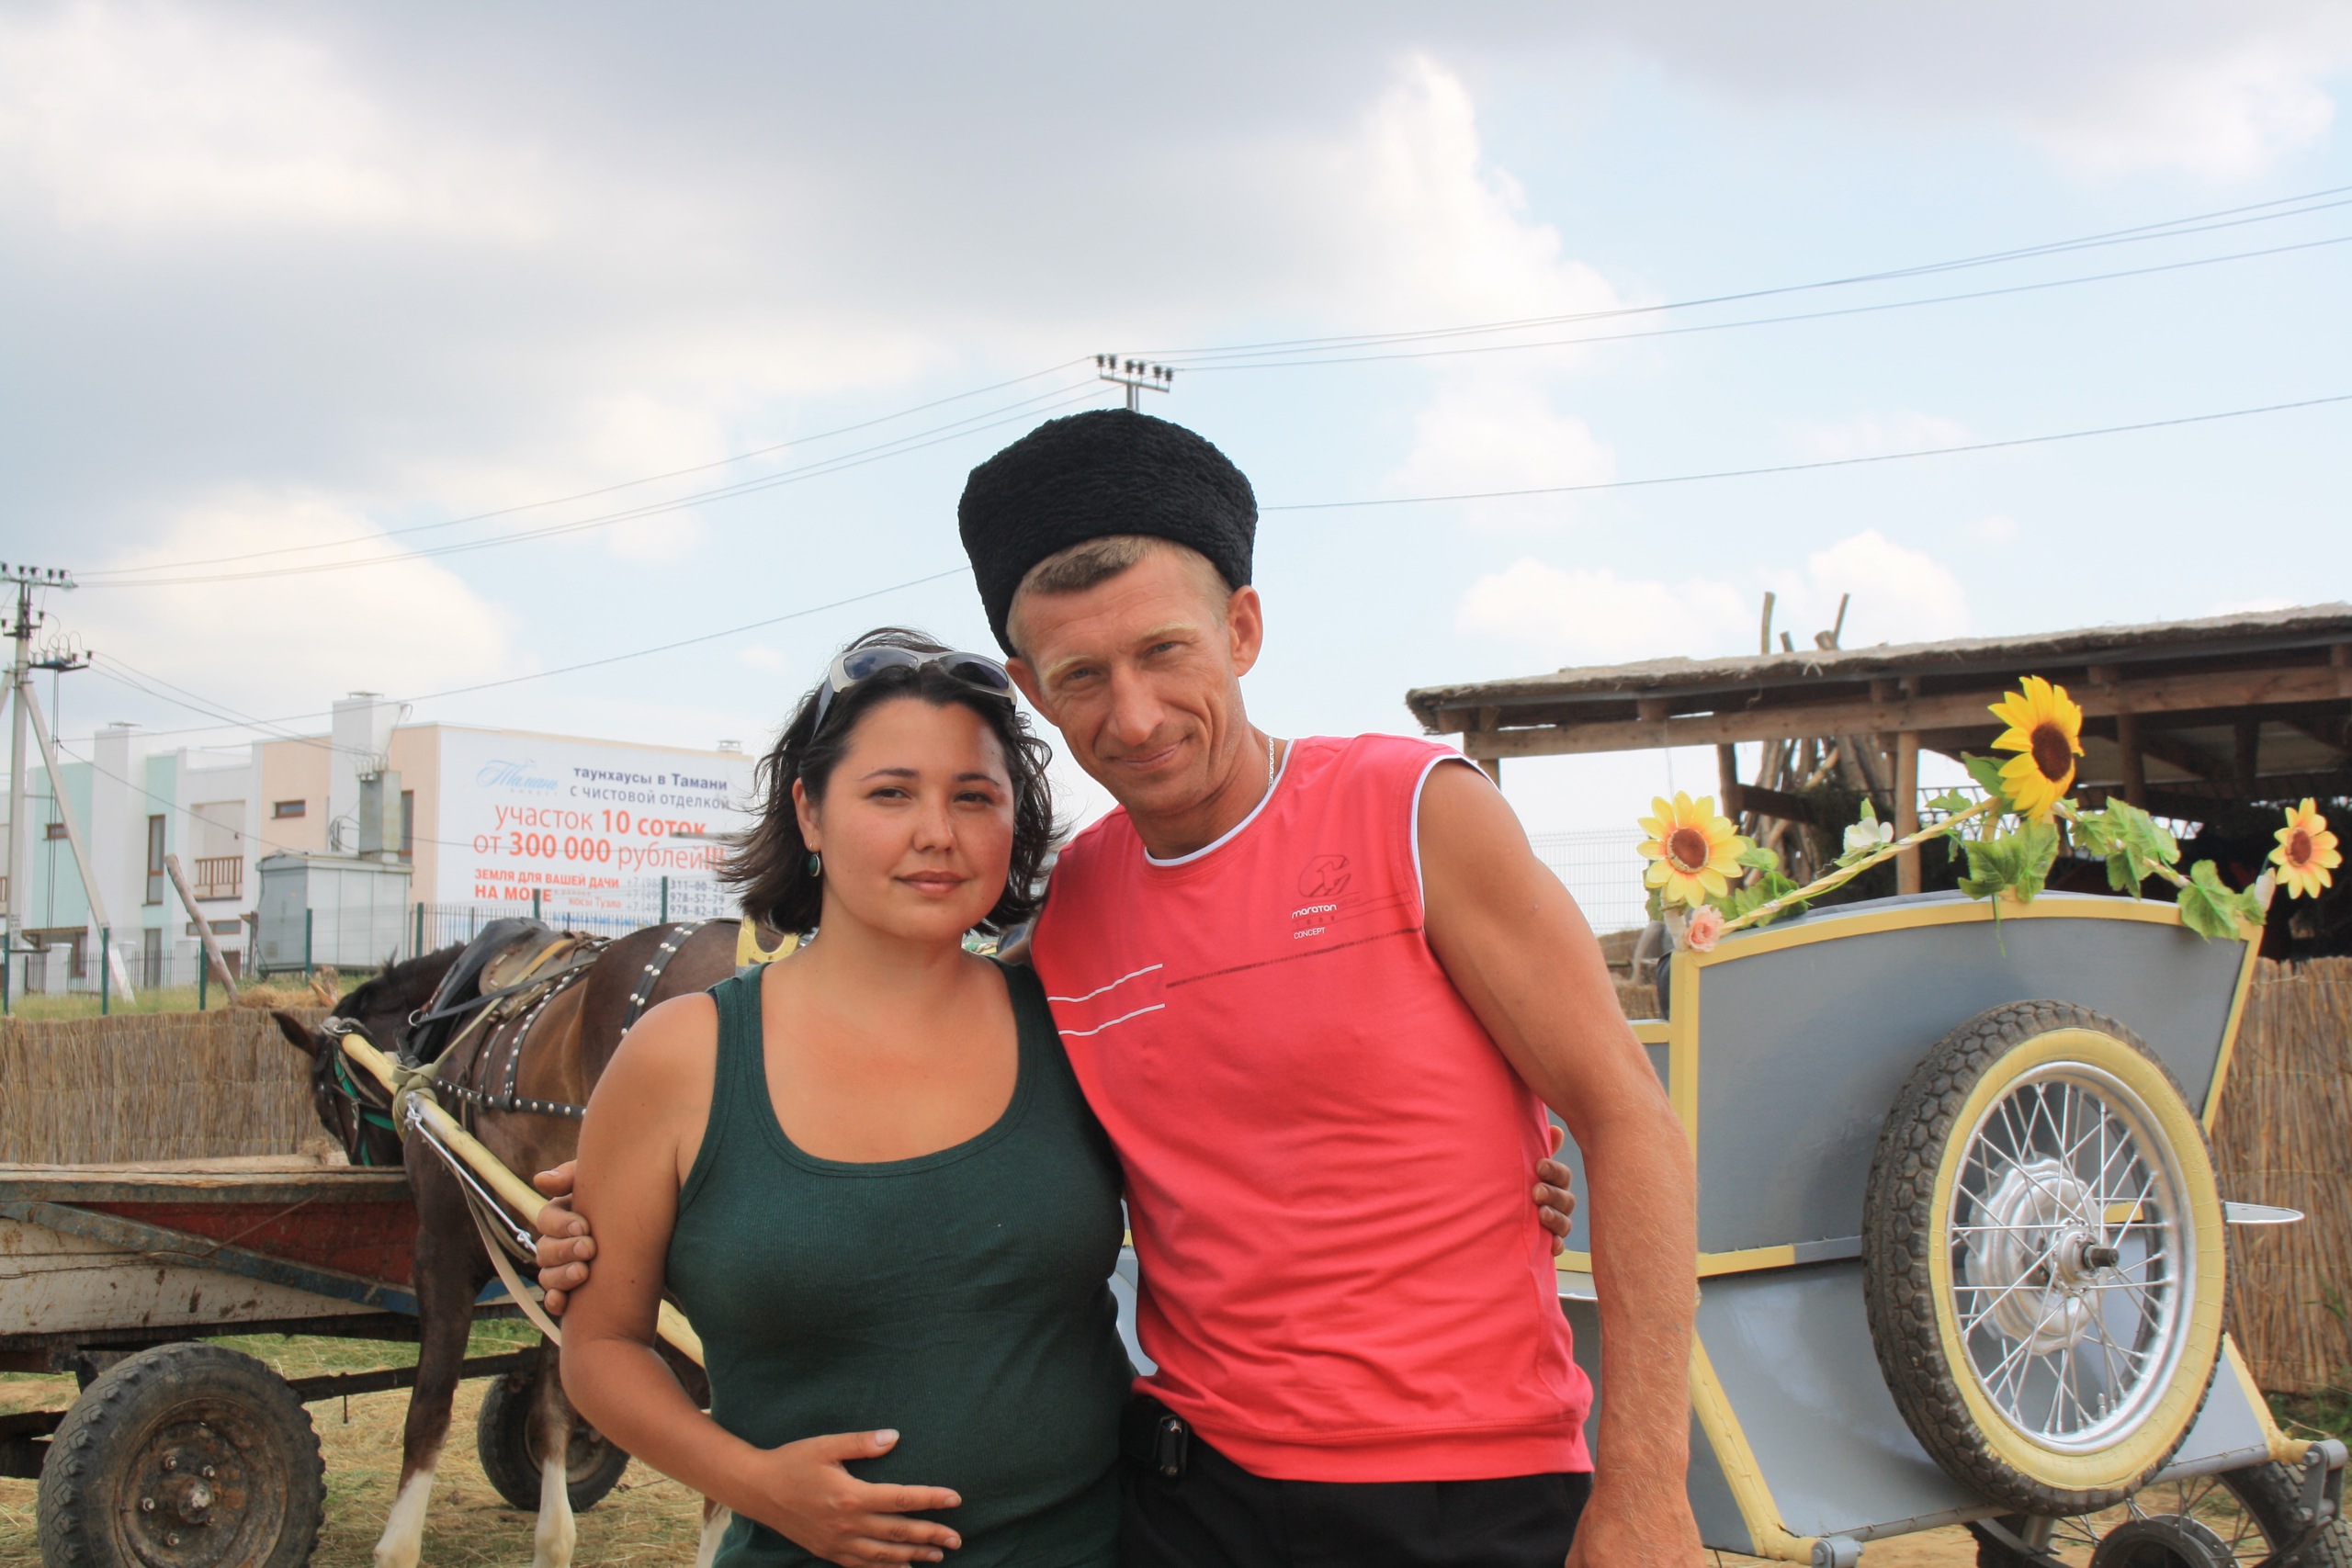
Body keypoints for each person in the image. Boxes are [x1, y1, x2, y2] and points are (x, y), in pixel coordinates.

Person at [545, 410, 1700, 1568]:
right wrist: (630, 1192)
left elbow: (1624, 1117)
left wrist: (1648, 1491)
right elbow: (904, 1055)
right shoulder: (1077, 910)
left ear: (1241, 629)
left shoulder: (1414, 816)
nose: (1134, 717)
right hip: (1185, 1498)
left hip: (1465, 1493)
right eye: (1082, 676)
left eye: (1164, 652)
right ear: (1031, 687)